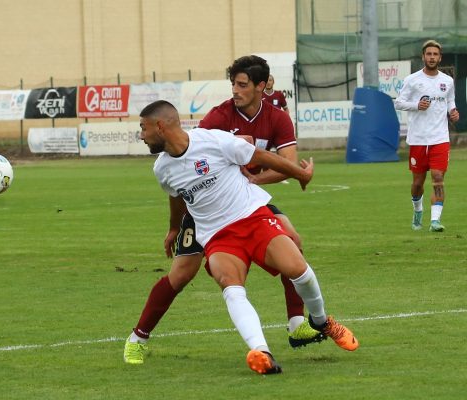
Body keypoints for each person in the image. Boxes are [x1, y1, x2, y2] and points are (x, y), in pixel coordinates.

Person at [124, 55, 322, 365]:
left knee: (292, 240)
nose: (235, 90)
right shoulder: (217, 119)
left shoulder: (278, 118)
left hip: (245, 198)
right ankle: (138, 337)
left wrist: (259, 177)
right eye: (233, 83)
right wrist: (176, 226)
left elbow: (286, 163)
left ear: (262, 86)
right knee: (181, 275)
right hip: (205, 208)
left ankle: (297, 323)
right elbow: (185, 170)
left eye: (242, 85)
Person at [136, 100, 358, 374]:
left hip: (253, 219)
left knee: (299, 269)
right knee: (232, 287)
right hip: (217, 237)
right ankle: (261, 351)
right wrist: (174, 228)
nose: (141, 135)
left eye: (144, 128)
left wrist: (301, 174)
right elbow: (177, 197)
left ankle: (322, 321)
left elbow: (262, 157)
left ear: (160, 126)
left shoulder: (214, 141)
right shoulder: (161, 168)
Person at [394, 40, 459, 232]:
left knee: (438, 177)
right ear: (423, 57)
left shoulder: (447, 81)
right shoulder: (412, 80)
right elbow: (398, 103)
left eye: (435, 54)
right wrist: (416, 106)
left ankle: (435, 221)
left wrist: (453, 112)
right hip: (418, 139)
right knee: (417, 184)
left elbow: (450, 102)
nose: (432, 57)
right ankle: (417, 211)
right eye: (428, 54)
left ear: (440, 58)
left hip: (440, 138)